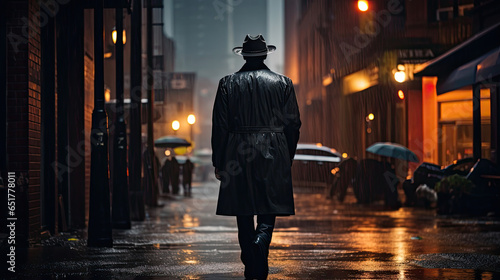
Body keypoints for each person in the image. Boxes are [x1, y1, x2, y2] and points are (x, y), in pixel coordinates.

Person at [211, 34, 301, 280]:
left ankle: (251, 263)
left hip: (237, 152)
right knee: (267, 208)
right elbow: (293, 123)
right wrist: (287, 156)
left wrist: (219, 161)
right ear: (264, 55)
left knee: (243, 211)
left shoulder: (227, 83)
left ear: (244, 55)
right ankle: (260, 243)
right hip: (273, 151)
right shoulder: (283, 83)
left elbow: (219, 125)